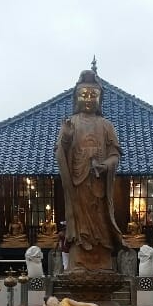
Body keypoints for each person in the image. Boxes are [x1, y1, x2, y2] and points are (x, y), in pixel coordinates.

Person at [55, 69, 124, 271]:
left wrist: (105, 165)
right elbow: (60, 153)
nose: (88, 99)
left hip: (99, 184)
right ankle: (80, 260)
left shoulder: (106, 125)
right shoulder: (71, 123)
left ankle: (101, 260)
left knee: (101, 220)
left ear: (100, 98)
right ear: (76, 97)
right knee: (80, 222)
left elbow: (115, 155)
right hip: (78, 185)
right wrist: (66, 137)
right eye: (83, 94)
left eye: (93, 95)